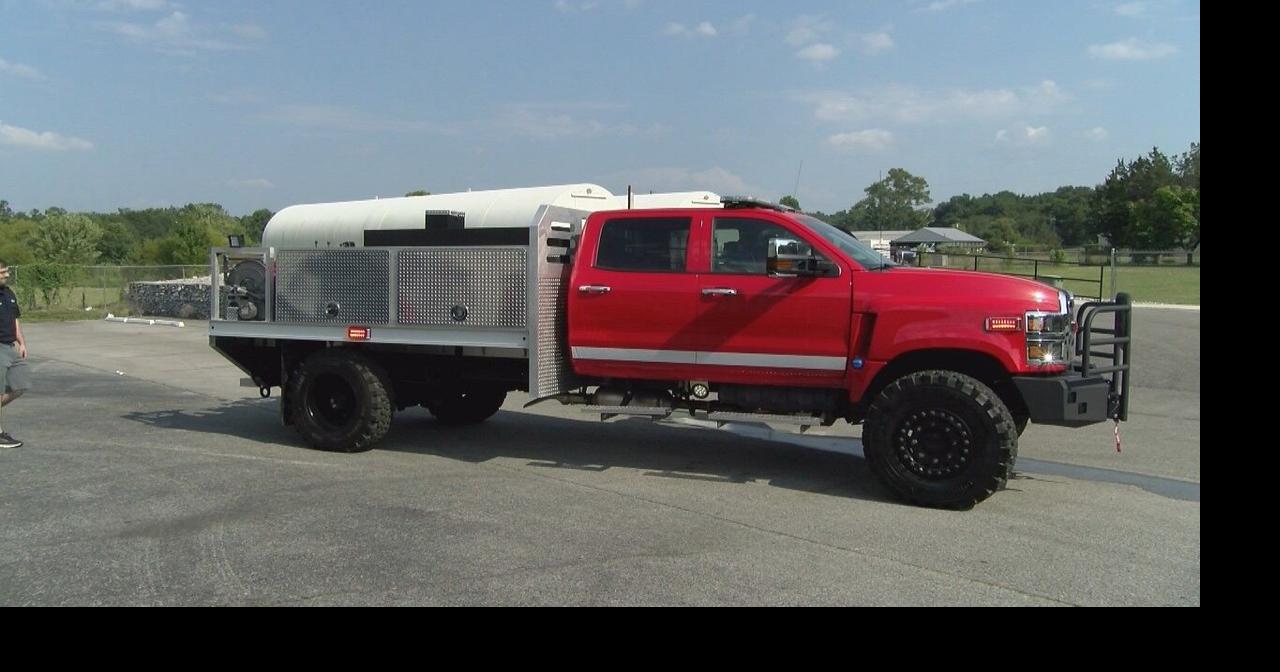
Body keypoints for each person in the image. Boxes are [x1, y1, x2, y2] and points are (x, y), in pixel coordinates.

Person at [0, 259, 29, 448]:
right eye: (2, 272)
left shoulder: (9, 293)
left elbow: (15, 319)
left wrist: (22, 342)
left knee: (21, 385)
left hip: (11, 346)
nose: (7, 275)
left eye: (7, 271)